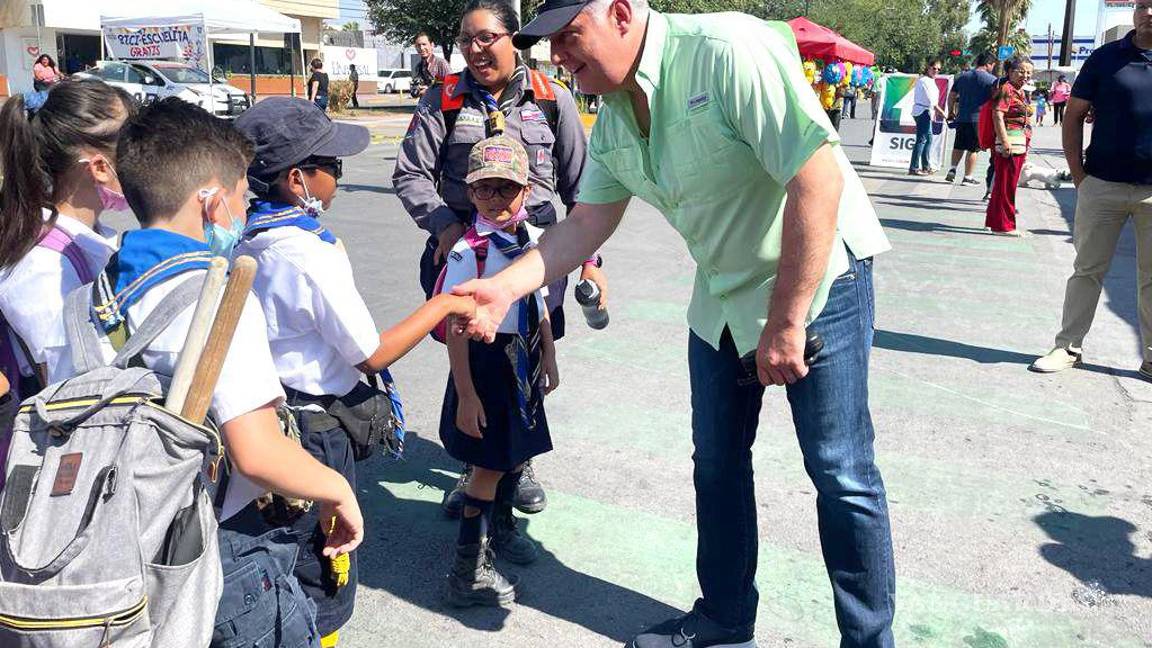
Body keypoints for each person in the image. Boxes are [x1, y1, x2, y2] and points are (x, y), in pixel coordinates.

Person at [461, 1, 895, 646]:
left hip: (816, 277)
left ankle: (866, 640)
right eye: (548, 42)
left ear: (619, 13)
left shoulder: (726, 51)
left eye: (570, 35)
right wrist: (501, 288)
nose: (557, 57)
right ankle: (724, 617)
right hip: (722, 294)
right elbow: (587, 221)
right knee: (717, 464)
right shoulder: (610, 111)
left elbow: (817, 177)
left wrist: (786, 321)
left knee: (840, 474)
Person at [95, 98, 363, 648]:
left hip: (120, 542)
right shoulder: (214, 298)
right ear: (212, 202)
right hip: (216, 543)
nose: (246, 207)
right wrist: (337, 491)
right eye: (242, 194)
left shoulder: (91, 296)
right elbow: (256, 453)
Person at [233, 96, 476, 646]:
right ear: (299, 179)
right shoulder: (304, 252)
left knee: (286, 552)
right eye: (332, 166)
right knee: (326, 563)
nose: (338, 176)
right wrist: (442, 305)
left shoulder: (249, 234)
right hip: (315, 429)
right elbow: (370, 353)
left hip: (271, 417)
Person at [394, 0, 605, 519]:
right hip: (464, 254)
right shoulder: (441, 99)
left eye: (486, 37)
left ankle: (519, 459)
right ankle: (475, 461)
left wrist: (589, 261)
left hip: (537, 256)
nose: (475, 48)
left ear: (514, 38)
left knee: (531, 356)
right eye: (466, 39)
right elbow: (410, 174)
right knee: (469, 355)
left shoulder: (553, 98)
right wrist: (444, 226)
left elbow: (584, 188)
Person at [440, 134, 558, 607]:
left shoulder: (533, 241)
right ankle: (468, 570)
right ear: (469, 194)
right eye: (484, 189)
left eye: (505, 188)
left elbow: (539, 301)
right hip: (484, 364)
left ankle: (503, 528)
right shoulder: (468, 253)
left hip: (522, 360)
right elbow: (454, 329)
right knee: (487, 466)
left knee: (512, 454)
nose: (495, 199)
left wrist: (548, 354)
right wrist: (466, 394)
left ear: (526, 190)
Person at [1031, 0, 1152, 380]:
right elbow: (1074, 116)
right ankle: (1067, 346)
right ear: (1135, 10)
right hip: (1101, 184)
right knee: (1086, 271)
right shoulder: (1104, 58)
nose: (1149, 13)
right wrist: (1079, 176)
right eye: (1144, 5)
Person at [0, 81, 134, 400]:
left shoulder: (92, 238)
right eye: (134, 146)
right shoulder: (43, 268)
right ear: (100, 167)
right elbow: (69, 395)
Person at [984, 56, 1033, 236]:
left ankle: (994, 221)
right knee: (1006, 186)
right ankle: (1003, 226)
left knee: (1003, 185)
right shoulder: (1006, 90)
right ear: (1009, 72)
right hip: (1010, 145)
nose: (1025, 75)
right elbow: (997, 115)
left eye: (1028, 72)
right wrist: (1004, 141)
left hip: (1018, 143)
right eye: (1021, 71)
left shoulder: (1018, 91)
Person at [945, 52, 997, 185]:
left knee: (959, 145)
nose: (993, 68)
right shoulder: (991, 80)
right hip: (978, 119)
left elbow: (952, 96)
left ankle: (952, 169)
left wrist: (951, 112)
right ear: (988, 64)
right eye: (992, 65)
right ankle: (968, 177)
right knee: (973, 149)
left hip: (962, 117)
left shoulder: (962, 76)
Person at [909, 59, 946, 176]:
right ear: (928, 68)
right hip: (923, 111)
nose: (936, 71)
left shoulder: (930, 81)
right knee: (922, 139)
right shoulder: (924, 80)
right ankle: (914, 167)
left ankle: (926, 166)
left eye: (938, 69)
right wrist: (944, 114)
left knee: (928, 139)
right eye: (934, 68)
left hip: (927, 112)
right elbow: (932, 102)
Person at [412, 32, 452, 97]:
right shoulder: (419, 66)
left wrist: (429, 91)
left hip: (440, 105)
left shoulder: (441, 64)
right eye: (418, 45)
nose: (421, 48)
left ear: (432, 45)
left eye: (424, 44)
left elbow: (451, 87)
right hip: (425, 104)